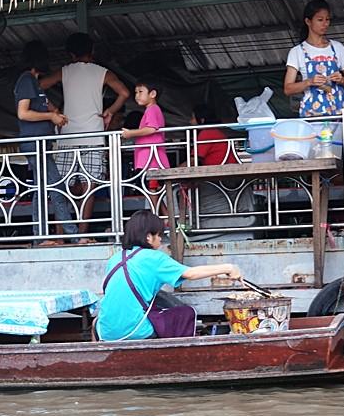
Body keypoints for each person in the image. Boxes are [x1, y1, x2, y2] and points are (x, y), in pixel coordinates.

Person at [95, 210, 242, 341]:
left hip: (105, 332)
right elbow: (191, 274)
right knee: (185, 313)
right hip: (134, 331)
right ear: (148, 237)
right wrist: (228, 267)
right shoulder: (154, 258)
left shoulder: (116, 258)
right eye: (159, 235)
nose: (160, 239)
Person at [40, 33, 130, 239]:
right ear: (92, 51)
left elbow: (38, 86)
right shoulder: (102, 72)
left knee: (61, 186)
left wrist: (53, 110)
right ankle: (81, 234)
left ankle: (61, 235)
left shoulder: (65, 71)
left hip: (67, 136)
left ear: (70, 54)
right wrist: (110, 111)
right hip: (93, 136)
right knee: (89, 186)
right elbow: (124, 92)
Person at [15, 40, 88, 245]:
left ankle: (42, 236)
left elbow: (45, 105)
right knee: (55, 186)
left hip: (41, 143)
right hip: (34, 143)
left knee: (44, 188)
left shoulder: (34, 83)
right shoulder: (26, 80)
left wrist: (55, 113)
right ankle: (70, 235)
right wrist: (51, 118)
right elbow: (23, 113)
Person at [190, 104, 255, 241]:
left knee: (183, 187)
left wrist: (174, 168)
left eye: (192, 118)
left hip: (222, 180)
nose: (190, 122)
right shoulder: (217, 132)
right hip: (230, 178)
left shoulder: (206, 132)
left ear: (201, 120)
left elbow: (194, 160)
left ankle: (189, 225)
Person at [283, 0, 344, 117]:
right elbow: (288, 89)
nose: (325, 24)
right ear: (308, 21)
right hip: (312, 112)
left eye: (327, 20)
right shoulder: (297, 52)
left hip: (339, 109)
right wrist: (309, 82)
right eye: (320, 20)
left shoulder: (337, 47)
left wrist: (341, 79)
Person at [121, 80, 170, 216]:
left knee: (153, 188)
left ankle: (157, 216)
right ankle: (164, 215)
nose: (137, 95)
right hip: (149, 156)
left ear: (152, 94)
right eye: (136, 92)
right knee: (153, 188)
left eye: (140, 92)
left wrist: (131, 133)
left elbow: (151, 129)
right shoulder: (150, 110)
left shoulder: (153, 109)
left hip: (152, 157)